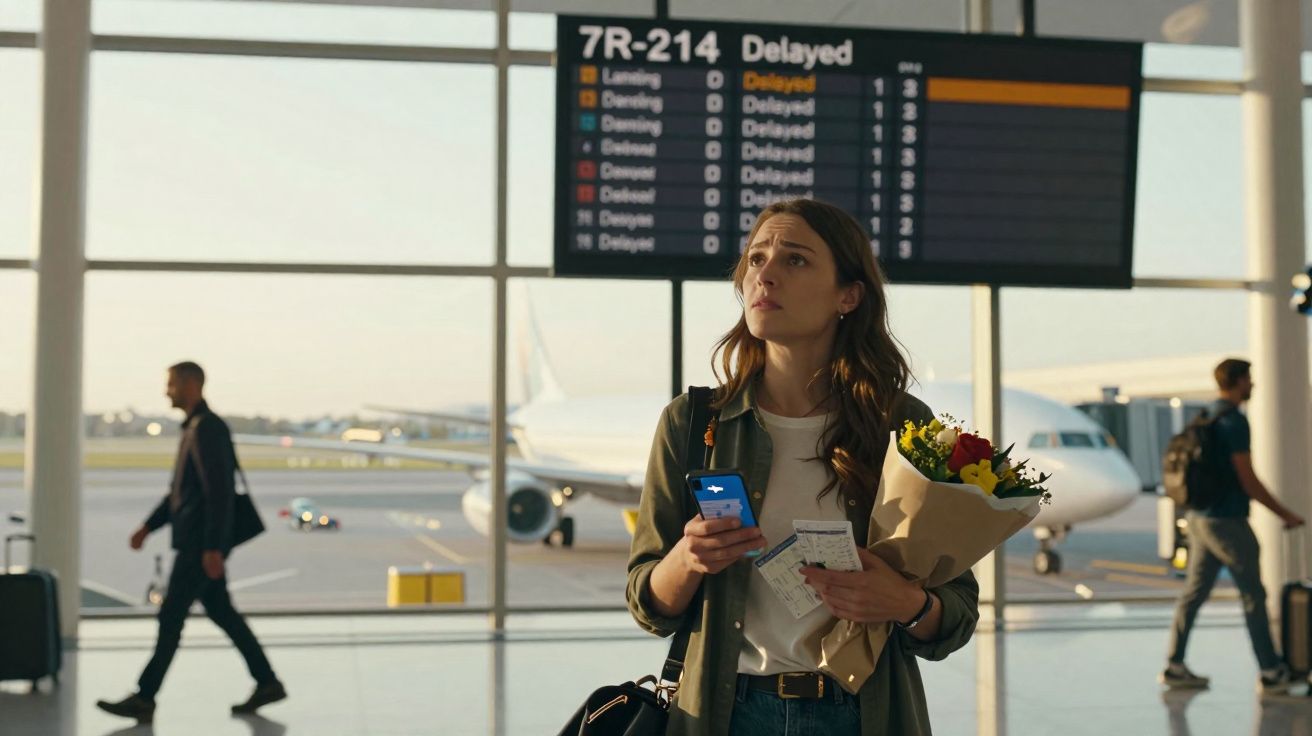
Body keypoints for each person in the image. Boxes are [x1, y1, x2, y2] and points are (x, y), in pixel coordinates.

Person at [626, 199, 979, 736]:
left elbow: (956, 613)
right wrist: (688, 559)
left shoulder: (901, 425)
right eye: (755, 258)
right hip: (725, 714)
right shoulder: (694, 422)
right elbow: (647, 602)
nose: (764, 274)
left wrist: (906, 603)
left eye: (794, 260)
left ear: (848, 296)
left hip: (863, 713)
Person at [97, 362, 286, 723]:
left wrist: (214, 548)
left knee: (171, 617)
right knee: (221, 612)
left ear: (193, 384)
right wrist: (147, 527)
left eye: (172, 384)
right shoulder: (195, 428)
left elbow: (219, 494)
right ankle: (267, 682)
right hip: (198, 542)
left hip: (200, 546)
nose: (167, 391)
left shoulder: (207, 429)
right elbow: (181, 495)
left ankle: (144, 696)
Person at [1161, 358, 1305, 694]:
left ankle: (1174, 664)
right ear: (1239, 381)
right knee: (1253, 594)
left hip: (1198, 520)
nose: (1253, 385)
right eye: (1249, 379)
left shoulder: (1206, 416)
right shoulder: (1234, 422)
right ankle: (1271, 671)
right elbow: (1248, 479)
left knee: (1193, 595)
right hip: (1227, 522)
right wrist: (1284, 514)